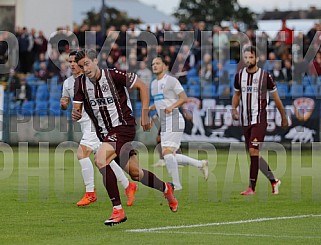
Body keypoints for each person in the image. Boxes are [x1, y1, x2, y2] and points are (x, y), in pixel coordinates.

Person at [72, 49, 178, 226]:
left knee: (100, 159)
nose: (85, 68)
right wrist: (75, 114)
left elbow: (142, 86)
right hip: (105, 134)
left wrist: (144, 113)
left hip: (123, 127)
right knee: (136, 173)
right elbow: (76, 109)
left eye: (87, 63)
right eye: (82, 66)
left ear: (96, 61)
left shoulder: (113, 75)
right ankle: (166, 189)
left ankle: (118, 210)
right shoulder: (80, 84)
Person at [60, 51, 137, 207]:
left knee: (82, 153)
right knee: (106, 159)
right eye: (70, 62)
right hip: (84, 124)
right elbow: (69, 104)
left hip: (95, 125)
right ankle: (128, 185)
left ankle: (90, 192)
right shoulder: (69, 83)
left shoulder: (93, 80)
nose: (73, 64)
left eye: (75, 61)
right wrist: (64, 105)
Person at [231, 45, 288, 195]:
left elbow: (276, 98)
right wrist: (234, 109)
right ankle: (274, 181)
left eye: (251, 57)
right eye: (246, 57)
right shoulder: (239, 76)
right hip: (245, 120)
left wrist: (283, 116)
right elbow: (236, 95)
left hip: (259, 119)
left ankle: (252, 188)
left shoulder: (265, 76)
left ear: (256, 58)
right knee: (253, 154)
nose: (248, 60)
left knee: (253, 150)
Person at [149, 56, 209, 191]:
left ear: (165, 66)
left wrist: (172, 107)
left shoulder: (171, 80)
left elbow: (184, 98)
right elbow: (160, 102)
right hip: (165, 123)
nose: (155, 66)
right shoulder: (153, 84)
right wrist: (153, 110)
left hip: (174, 119)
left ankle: (176, 185)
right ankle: (200, 164)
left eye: (158, 63)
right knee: (170, 155)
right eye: (153, 64)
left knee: (167, 153)